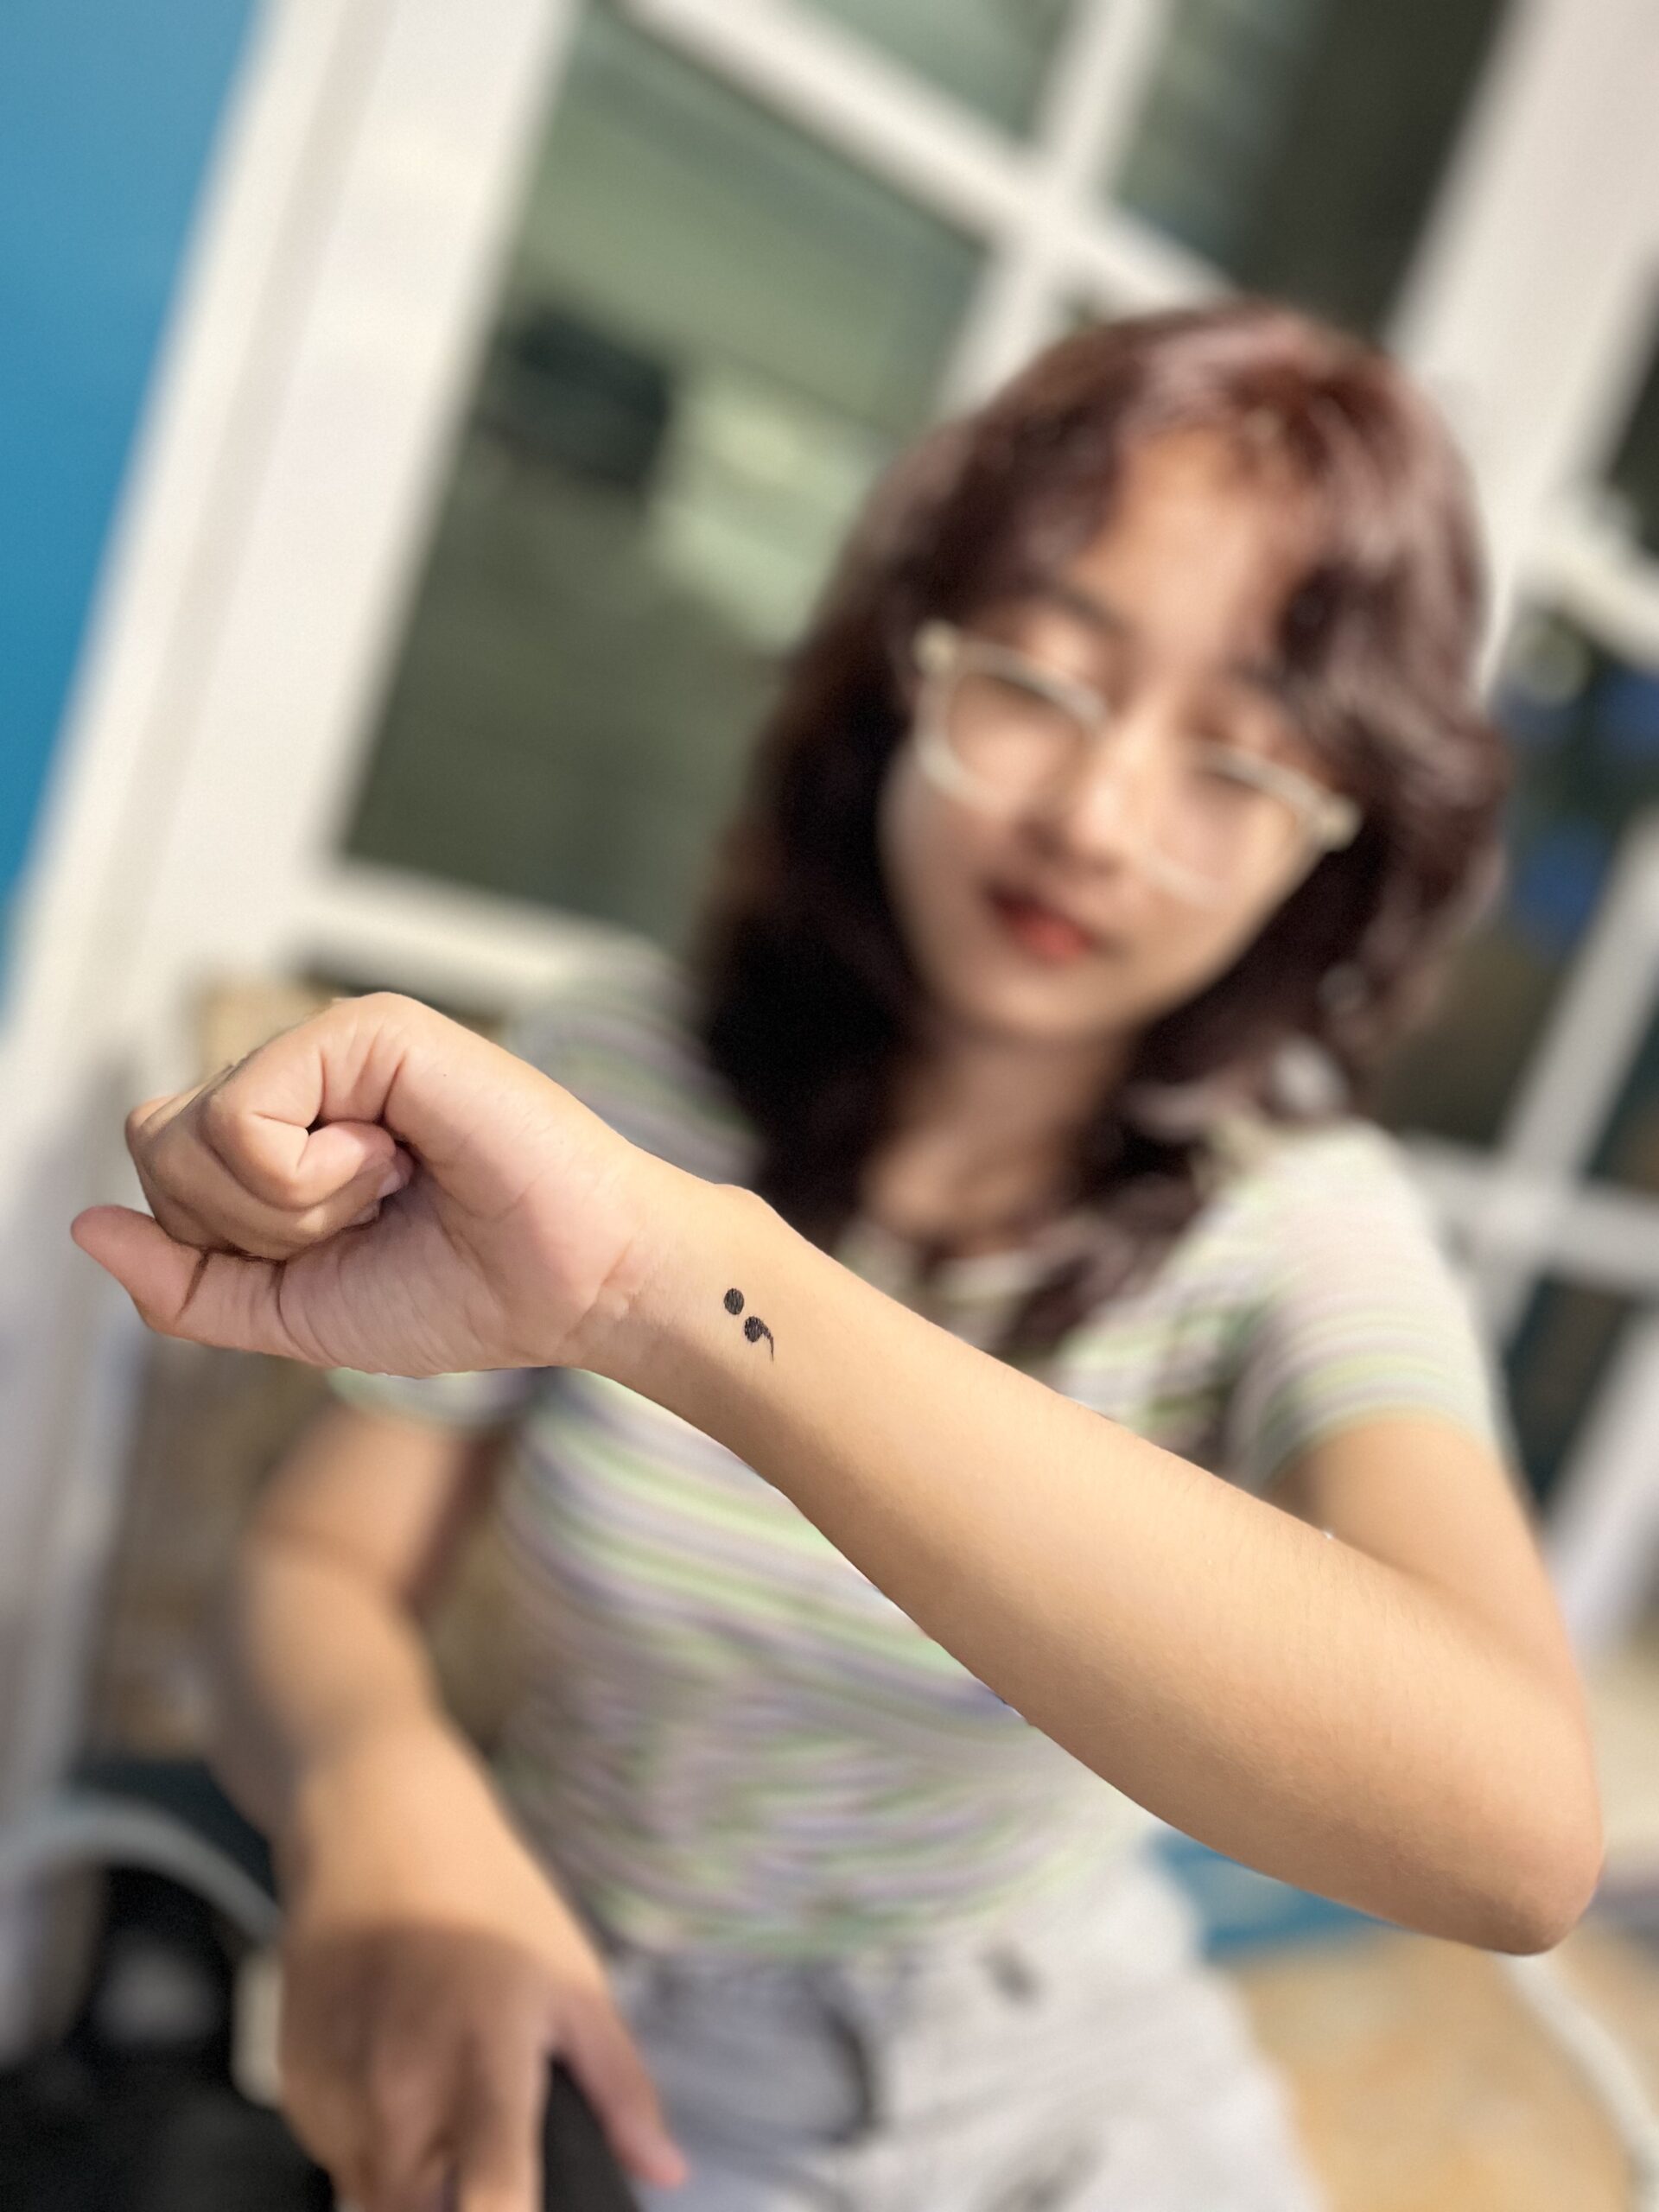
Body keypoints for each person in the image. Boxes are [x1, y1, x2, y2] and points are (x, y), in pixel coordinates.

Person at [73, 300, 1604, 2212]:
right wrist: (380, 1802)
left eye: (1236, 764)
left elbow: (1516, 1833)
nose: (1096, 817)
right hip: (613, 2045)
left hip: (1079, 2081)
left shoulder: (1299, 1225)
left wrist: (667, 1279)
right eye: (1041, 679)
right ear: (906, 671)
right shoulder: (619, 1083)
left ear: (1328, 851)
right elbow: (314, 1570)